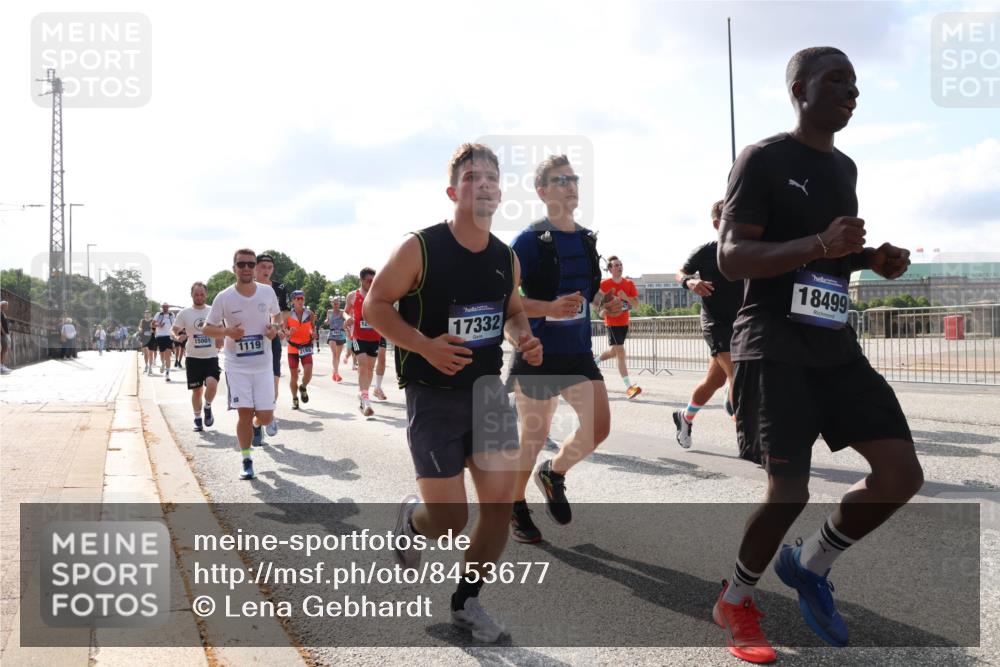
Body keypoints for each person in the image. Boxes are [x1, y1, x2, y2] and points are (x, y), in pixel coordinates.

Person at [711, 47, 922, 664]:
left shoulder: (844, 167)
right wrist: (818, 244)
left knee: (901, 475)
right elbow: (731, 257)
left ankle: (810, 563)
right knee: (789, 492)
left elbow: (832, 253)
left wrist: (870, 259)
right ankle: (735, 599)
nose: (851, 92)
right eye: (836, 80)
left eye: (855, 83)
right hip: (773, 344)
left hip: (834, 343)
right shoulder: (762, 158)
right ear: (799, 89)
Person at [365, 142, 542, 643]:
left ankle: (467, 602)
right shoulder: (419, 247)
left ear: (500, 193)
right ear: (452, 191)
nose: (483, 183)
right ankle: (412, 520)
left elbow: (512, 311)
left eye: (491, 177)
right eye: (471, 177)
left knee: (499, 508)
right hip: (434, 396)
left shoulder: (506, 257)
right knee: (449, 519)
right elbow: (376, 306)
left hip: (487, 396)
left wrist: (524, 337)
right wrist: (424, 346)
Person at [507, 155, 622, 544]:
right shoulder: (528, 241)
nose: (571, 185)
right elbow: (504, 299)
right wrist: (548, 309)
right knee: (533, 437)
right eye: (561, 180)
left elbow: (588, 291)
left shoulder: (587, 239)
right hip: (537, 351)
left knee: (598, 428)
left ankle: (552, 473)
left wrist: (606, 303)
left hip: (577, 352)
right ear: (542, 192)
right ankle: (515, 504)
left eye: (573, 179)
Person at [203, 249, 281, 480]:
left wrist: (275, 328)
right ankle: (246, 459)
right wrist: (227, 331)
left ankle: (260, 424)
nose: (246, 268)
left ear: (255, 267)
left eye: (250, 264)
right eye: (241, 264)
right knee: (244, 413)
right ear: (234, 268)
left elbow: (277, 316)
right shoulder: (224, 297)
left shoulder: (267, 292)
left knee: (265, 417)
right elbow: (207, 328)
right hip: (237, 366)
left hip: (263, 365)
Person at [673, 199, 744, 449]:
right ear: (717, 224)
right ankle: (749, 437)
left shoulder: (746, 250)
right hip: (715, 322)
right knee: (737, 374)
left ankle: (685, 417)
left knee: (715, 381)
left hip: (740, 323)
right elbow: (680, 272)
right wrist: (690, 282)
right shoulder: (706, 251)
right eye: (731, 218)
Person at [173, 282, 222, 432]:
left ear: (206, 295)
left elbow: (221, 328)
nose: (199, 297)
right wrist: (177, 336)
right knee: (197, 391)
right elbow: (174, 329)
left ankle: (207, 406)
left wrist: (220, 338)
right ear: (191, 295)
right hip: (193, 357)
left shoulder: (212, 311)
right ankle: (197, 418)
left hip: (211, 356)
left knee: (212, 384)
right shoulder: (185, 313)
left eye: (201, 294)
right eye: (196, 294)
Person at [254, 254, 290, 438]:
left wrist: (279, 328)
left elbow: (284, 311)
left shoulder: (279, 288)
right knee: (254, 383)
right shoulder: (246, 288)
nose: (266, 270)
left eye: (269, 267)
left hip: (272, 337)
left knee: (273, 381)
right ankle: (256, 419)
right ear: (255, 268)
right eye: (262, 267)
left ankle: (269, 414)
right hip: (251, 341)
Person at [596, 255, 641, 399]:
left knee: (613, 352)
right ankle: (629, 388)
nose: (619, 267)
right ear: (610, 269)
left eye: (620, 264)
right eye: (616, 265)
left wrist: (625, 297)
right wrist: (601, 311)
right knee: (621, 352)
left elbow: (636, 305)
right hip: (612, 322)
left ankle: (594, 362)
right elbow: (597, 304)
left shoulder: (629, 283)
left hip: (624, 322)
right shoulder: (604, 284)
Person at [346, 268, 383, 416]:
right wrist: (347, 318)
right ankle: (366, 400)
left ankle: (363, 394)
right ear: (361, 280)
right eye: (369, 281)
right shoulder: (352, 296)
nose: (371, 283)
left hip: (374, 337)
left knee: (370, 369)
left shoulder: (378, 295)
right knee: (362, 366)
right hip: (358, 336)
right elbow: (345, 312)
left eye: (373, 280)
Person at [285, 290, 315, 410]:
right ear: (293, 301)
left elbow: (312, 328)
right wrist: (289, 332)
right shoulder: (287, 315)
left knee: (308, 372)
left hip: (306, 346)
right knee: (294, 376)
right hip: (293, 347)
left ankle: (303, 387)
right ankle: (294, 398)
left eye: (302, 298)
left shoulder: (310, 314)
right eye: (297, 298)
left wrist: (313, 334)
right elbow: (284, 331)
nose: (300, 301)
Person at [325, 295, 347, 381]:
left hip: (341, 334)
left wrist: (346, 324)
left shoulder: (342, 312)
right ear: (331, 303)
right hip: (332, 334)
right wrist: (326, 321)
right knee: (334, 354)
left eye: (337, 303)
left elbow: (346, 320)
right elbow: (327, 320)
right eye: (334, 303)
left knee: (338, 355)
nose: (335, 305)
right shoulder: (329, 312)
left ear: (339, 303)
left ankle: (335, 370)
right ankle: (337, 373)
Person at [152, 303, 175, 380]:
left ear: (168, 307)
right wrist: (159, 325)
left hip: (169, 336)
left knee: (168, 355)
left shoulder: (171, 315)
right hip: (160, 336)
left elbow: (175, 325)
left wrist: (175, 335)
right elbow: (152, 324)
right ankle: (163, 363)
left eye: (166, 307)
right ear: (161, 308)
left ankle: (167, 374)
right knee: (162, 355)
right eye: (164, 307)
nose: (165, 308)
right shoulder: (158, 314)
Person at [1, 300, 12, 374]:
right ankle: (1, 366)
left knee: (5, 350)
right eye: (6, 305)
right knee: (4, 350)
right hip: (2, 335)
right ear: (2, 305)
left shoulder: (3, 313)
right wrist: (4, 334)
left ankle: (3, 366)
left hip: (5, 334)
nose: (7, 307)